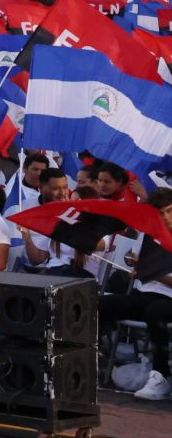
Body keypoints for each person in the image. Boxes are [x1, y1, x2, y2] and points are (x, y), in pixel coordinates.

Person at [98, 187, 172, 401]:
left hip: (167, 300)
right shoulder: (147, 235)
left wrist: (153, 273)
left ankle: (161, 376)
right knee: (100, 304)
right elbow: (137, 264)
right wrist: (134, 265)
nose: (166, 217)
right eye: (160, 214)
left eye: (169, 211)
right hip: (145, 294)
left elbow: (152, 272)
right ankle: (96, 358)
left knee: (155, 311)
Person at [21, 168, 91, 276]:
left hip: (77, 276)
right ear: (41, 187)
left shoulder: (85, 218)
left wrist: (71, 217)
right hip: (45, 273)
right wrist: (25, 234)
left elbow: (97, 244)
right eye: (55, 188)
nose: (63, 193)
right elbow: (36, 259)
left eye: (65, 187)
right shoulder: (24, 208)